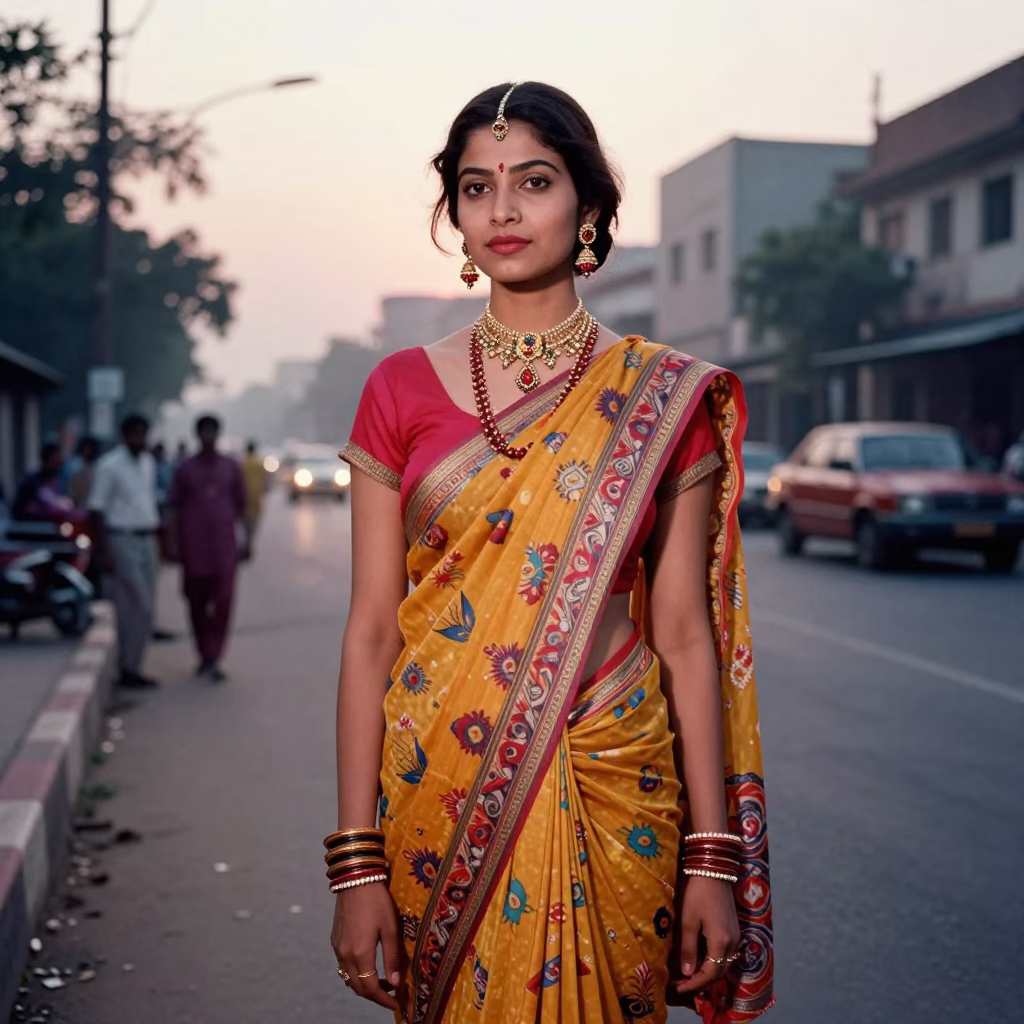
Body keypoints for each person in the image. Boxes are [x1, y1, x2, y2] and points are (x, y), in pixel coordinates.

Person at [328, 83, 774, 1024]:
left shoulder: (662, 399)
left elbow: (686, 636)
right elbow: (371, 631)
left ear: (590, 208)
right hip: (439, 784)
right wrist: (355, 863)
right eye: (476, 185)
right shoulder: (398, 388)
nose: (503, 209)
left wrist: (711, 858)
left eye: (533, 181)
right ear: (452, 211)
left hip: (621, 782)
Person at [167, 414, 249, 682]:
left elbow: (242, 506)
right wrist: (171, 543)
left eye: (212, 432)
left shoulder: (230, 468)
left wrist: (248, 539)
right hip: (194, 549)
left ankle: (214, 656)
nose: (208, 438)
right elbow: (174, 509)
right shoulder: (185, 469)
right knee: (196, 604)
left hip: (224, 550)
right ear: (197, 435)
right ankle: (203, 653)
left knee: (223, 603)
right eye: (204, 432)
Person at [88, 414, 161, 690]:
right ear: (124, 436)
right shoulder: (109, 467)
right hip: (121, 538)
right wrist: (103, 552)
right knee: (135, 605)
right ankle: (128, 666)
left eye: (143, 434)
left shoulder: (148, 463)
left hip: (147, 537)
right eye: (135, 434)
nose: (139, 440)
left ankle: (133, 665)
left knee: (144, 606)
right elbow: (96, 509)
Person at [12, 442, 82, 524]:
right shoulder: (31, 483)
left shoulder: (62, 481)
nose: (59, 463)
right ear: (47, 460)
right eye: (55, 459)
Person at [240, 440, 268, 551]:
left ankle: (247, 538)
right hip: (256, 495)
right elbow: (265, 479)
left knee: (245, 519)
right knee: (255, 519)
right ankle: (249, 539)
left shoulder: (242, 463)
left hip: (244, 496)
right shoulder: (259, 462)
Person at [68, 436, 102, 509]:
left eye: (89, 448)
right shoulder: (76, 468)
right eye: (85, 448)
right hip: (81, 508)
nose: (87, 451)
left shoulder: (100, 468)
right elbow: (73, 494)